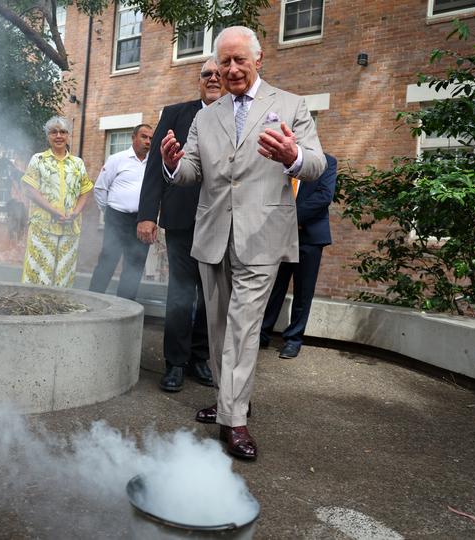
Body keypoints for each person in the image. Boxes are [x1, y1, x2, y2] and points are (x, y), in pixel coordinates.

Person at [161, 26, 326, 460]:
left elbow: (316, 162)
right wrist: (173, 166)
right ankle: (229, 399)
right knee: (217, 329)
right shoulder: (206, 115)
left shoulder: (290, 105)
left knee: (243, 328)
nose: (231, 69)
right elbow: (192, 169)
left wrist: (293, 157)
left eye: (239, 60)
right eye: (224, 62)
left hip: (262, 235)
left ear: (258, 59)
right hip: (214, 234)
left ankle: (233, 420)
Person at [137, 59, 223, 392]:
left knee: (210, 295)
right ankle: (174, 362)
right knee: (181, 294)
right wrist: (147, 214)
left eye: (218, 74)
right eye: (207, 74)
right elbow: (155, 167)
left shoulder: (239, 115)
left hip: (221, 222)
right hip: (182, 220)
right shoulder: (175, 113)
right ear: (199, 81)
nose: (213, 78)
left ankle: (200, 358)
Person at [260, 153, 337, 358]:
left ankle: (293, 340)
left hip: (310, 237)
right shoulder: (279, 160)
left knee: (303, 290)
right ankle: (262, 334)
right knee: (275, 286)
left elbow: (324, 196)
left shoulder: (326, 162)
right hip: (279, 234)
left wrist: (290, 217)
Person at [21, 116, 93, 287]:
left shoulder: (78, 164)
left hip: (69, 227)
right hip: (42, 227)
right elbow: (30, 190)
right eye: (54, 132)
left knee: (64, 273)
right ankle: (34, 309)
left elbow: (86, 191)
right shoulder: (38, 160)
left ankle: (58, 310)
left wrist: (75, 213)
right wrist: (54, 211)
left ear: (68, 136)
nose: (59, 135)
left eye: (63, 132)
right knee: (38, 270)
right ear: (48, 136)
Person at [89, 124, 154, 300]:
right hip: (117, 218)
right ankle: (92, 302)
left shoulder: (154, 163)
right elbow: (100, 189)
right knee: (108, 260)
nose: (147, 141)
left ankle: (125, 308)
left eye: (150, 138)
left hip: (142, 221)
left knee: (135, 264)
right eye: (143, 136)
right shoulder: (117, 159)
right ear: (133, 138)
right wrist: (109, 212)